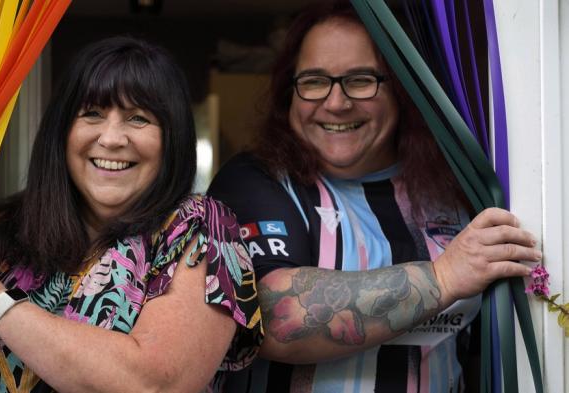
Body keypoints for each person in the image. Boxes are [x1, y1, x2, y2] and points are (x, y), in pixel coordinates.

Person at [0, 36, 262, 392]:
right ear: (61, 131)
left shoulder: (202, 230)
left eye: (138, 119)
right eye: (92, 113)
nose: (112, 138)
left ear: (172, 139)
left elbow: (156, 382)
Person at [207, 1, 539, 392]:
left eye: (361, 79)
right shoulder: (255, 179)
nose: (336, 102)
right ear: (289, 93)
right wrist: (443, 276)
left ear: (400, 87)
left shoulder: (456, 188)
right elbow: (273, 316)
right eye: (314, 81)